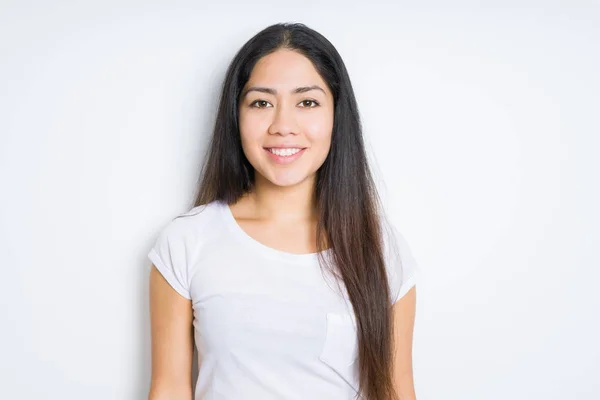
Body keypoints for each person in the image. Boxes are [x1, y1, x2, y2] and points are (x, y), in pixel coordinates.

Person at [147, 22, 419, 400]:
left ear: (336, 116)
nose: (283, 126)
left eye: (307, 102)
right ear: (236, 116)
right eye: (261, 102)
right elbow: (170, 388)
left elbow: (395, 390)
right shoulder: (187, 241)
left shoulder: (380, 248)